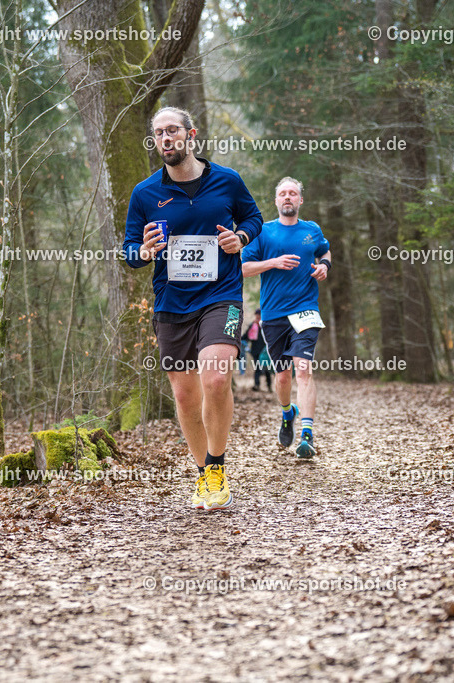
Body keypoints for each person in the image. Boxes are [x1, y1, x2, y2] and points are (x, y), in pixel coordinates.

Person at [123, 106, 263, 511]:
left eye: (172, 131)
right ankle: (205, 473)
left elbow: (253, 218)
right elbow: (129, 251)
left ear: (190, 135)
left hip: (221, 295)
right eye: (158, 133)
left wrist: (240, 237)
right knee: (185, 396)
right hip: (172, 302)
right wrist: (144, 250)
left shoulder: (227, 181)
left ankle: (217, 466)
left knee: (216, 379)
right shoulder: (145, 193)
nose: (165, 139)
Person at [242, 177, 331, 459]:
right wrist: (273, 263)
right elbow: (242, 267)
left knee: (303, 369)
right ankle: (286, 412)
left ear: (300, 200)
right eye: (283, 194)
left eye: (293, 193)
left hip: (306, 310)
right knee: (282, 377)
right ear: (276, 201)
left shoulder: (312, 230)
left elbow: (324, 250)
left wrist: (325, 265)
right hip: (273, 314)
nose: (288, 197)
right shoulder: (263, 233)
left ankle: (307, 434)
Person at [242, 309, 272, 391]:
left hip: (265, 351)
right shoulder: (253, 325)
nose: (257, 316)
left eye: (259, 315)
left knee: (266, 369)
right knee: (257, 368)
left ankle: (269, 386)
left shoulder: (266, 325)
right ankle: (257, 385)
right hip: (255, 351)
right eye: (256, 315)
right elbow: (246, 336)